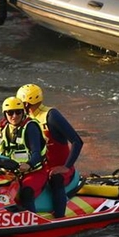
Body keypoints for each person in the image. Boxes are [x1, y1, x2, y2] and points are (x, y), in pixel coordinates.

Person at [18, 83, 83, 219]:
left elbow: (77, 141)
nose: (23, 108)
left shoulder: (51, 116)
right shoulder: (21, 119)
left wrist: (66, 167)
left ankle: (59, 217)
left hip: (59, 169)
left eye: (25, 104)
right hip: (39, 168)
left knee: (55, 179)